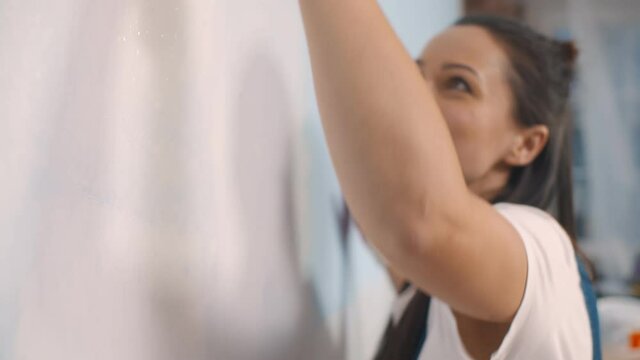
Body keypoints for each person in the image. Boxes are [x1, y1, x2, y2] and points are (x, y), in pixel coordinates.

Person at [298, 1, 601, 359]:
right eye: (414, 76)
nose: (420, 100)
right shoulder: (433, 290)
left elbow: (423, 226)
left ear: (525, 144)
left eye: (458, 84)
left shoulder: (543, 249)